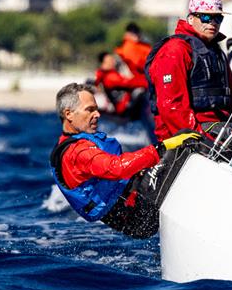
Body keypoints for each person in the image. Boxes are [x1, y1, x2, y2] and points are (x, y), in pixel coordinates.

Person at [145, 0, 232, 175]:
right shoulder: (174, 50)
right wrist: (199, 143)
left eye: (218, 18)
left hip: (218, 129)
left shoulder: (216, 53)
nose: (213, 23)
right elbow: (172, 108)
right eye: (206, 17)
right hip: (188, 135)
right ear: (191, 18)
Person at [49, 83, 199, 238]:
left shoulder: (70, 143)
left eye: (96, 109)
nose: (97, 114)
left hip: (132, 201)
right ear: (69, 114)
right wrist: (161, 147)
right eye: (90, 109)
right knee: (184, 143)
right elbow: (117, 168)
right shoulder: (78, 152)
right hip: (138, 216)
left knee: (178, 143)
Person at [94, 51, 147, 118]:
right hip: (123, 108)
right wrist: (148, 82)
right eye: (110, 60)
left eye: (112, 59)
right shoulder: (110, 77)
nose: (113, 62)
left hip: (123, 105)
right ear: (103, 63)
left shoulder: (106, 74)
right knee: (140, 92)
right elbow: (129, 83)